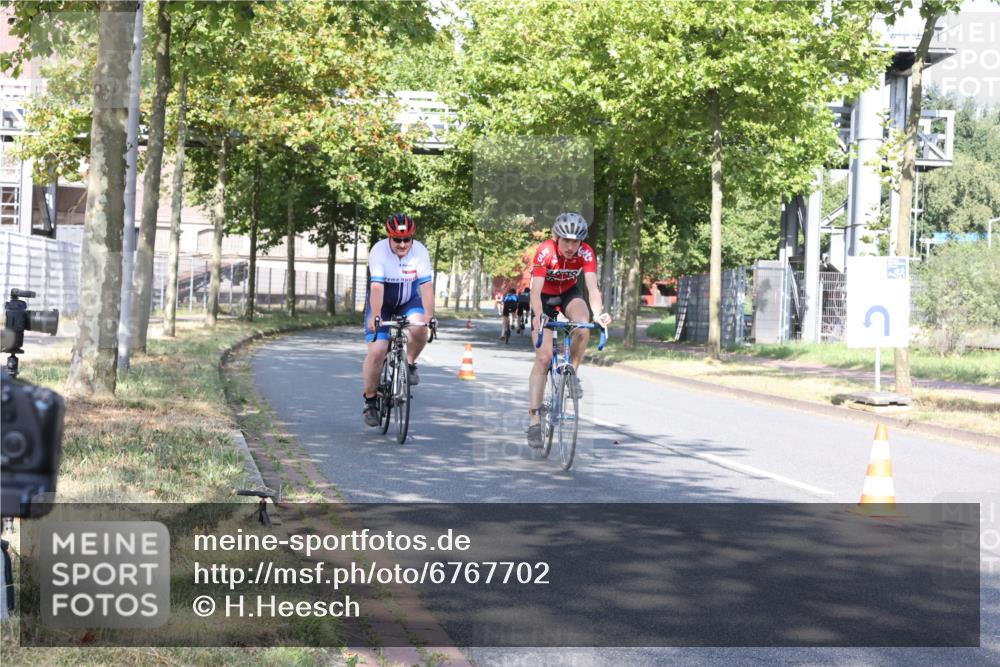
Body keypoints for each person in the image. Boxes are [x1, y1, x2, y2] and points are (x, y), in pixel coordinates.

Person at [526, 212, 612, 448]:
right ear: (556, 238)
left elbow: (592, 288)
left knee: (583, 325)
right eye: (566, 241)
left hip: (568, 294)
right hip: (544, 299)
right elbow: (535, 291)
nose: (571, 247)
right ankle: (534, 419)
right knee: (543, 358)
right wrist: (538, 315)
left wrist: (599, 314)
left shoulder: (586, 253)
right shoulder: (545, 251)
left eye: (576, 242)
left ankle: (571, 373)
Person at [361, 213, 435, 426]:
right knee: (377, 351)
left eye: (407, 240)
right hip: (382, 302)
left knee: (420, 329)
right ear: (389, 238)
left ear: (412, 238)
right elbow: (376, 287)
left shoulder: (420, 251)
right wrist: (376, 315)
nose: (402, 244)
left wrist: (429, 316)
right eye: (397, 240)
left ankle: (409, 364)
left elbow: (426, 286)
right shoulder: (379, 251)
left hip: (407, 300)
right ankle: (371, 402)